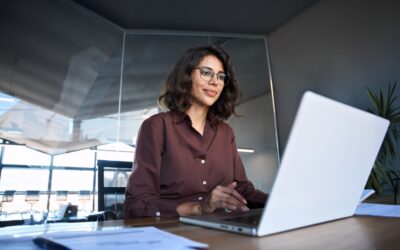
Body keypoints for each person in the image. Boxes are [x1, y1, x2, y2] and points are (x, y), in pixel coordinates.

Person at [124, 45, 267, 218]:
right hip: (171, 230)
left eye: (221, 77)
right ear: (186, 76)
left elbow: (242, 189)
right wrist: (197, 208)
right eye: (206, 72)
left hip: (220, 229)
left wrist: (279, 200)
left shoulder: (225, 133)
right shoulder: (157, 126)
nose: (214, 82)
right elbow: (137, 204)